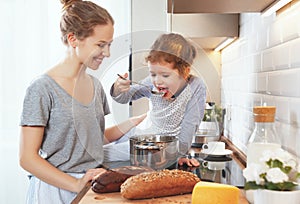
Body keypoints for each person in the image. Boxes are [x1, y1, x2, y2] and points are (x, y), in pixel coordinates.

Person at [19, 1, 144, 203]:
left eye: (109, 45)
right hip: (55, 189)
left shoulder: (95, 85)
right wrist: (74, 184)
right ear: (73, 39)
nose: (107, 53)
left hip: (90, 184)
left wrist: (137, 121)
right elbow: (27, 158)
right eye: (100, 44)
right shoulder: (42, 88)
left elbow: (93, 138)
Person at [105, 33, 206, 167]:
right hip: (140, 139)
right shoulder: (151, 84)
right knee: (99, 154)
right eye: (153, 74)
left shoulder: (195, 87)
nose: (157, 81)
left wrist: (179, 154)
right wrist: (118, 88)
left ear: (185, 72)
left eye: (165, 75)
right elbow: (125, 97)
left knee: (102, 154)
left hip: (164, 149)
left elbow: (189, 128)